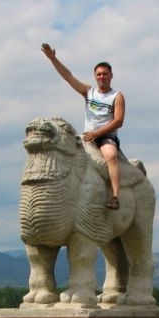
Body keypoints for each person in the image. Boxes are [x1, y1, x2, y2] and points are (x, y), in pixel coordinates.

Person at [41, 42, 124, 210]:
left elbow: (118, 121)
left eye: (105, 74)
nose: (102, 77)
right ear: (95, 76)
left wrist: (97, 133)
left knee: (111, 156)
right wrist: (53, 59)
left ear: (111, 75)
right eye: (99, 74)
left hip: (105, 137)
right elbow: (68, 77)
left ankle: (115, 197)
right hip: (87, 136)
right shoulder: (89, 92)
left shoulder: (117, 96)